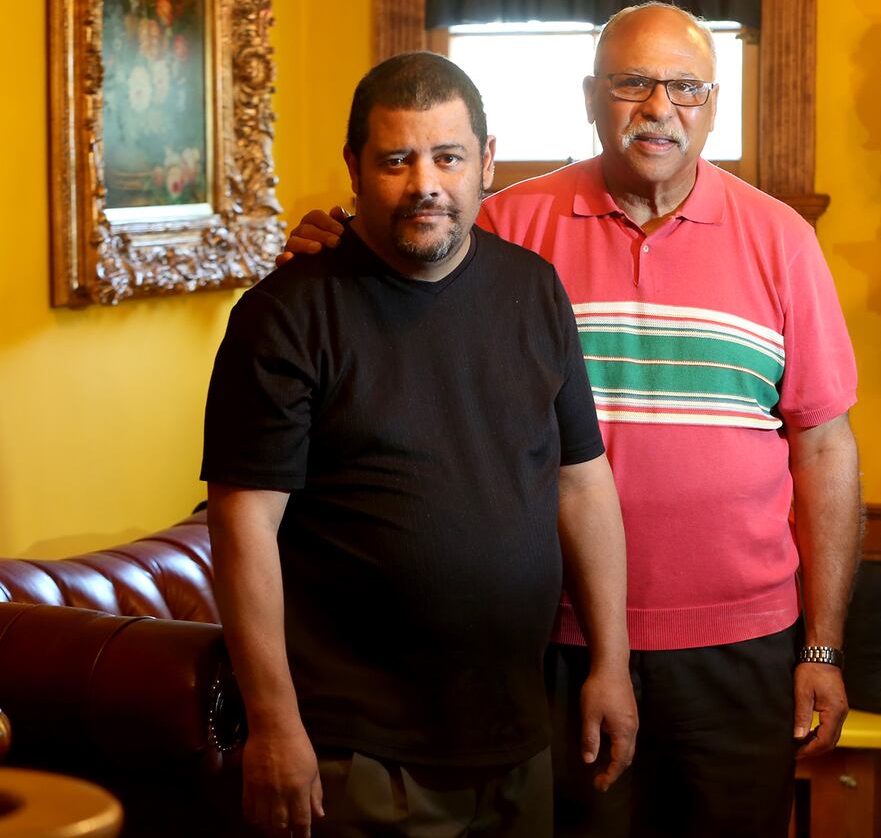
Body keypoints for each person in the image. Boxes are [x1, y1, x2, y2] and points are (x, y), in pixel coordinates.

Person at [283, 3, 862, 837]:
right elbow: (405, 259)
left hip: (740, 645)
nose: (659, 106)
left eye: (685, 86)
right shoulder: (509, 223)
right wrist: (332, 249)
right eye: (632, 83)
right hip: (553, 643)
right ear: (592, 96)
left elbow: (823, 443)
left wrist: (823, 646)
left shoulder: (783, 240)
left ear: (715, 101)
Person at [205, 53, 636, 838]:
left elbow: (582, 482)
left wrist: (612, 660)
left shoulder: (534, 291)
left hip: (517, 737)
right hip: (356, 754)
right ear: (355, 168)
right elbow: (242, 526)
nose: (425, 183)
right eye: (397, 159)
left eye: (448, 156)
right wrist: (274, 722)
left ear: (487, 161)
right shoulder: (286, 315)